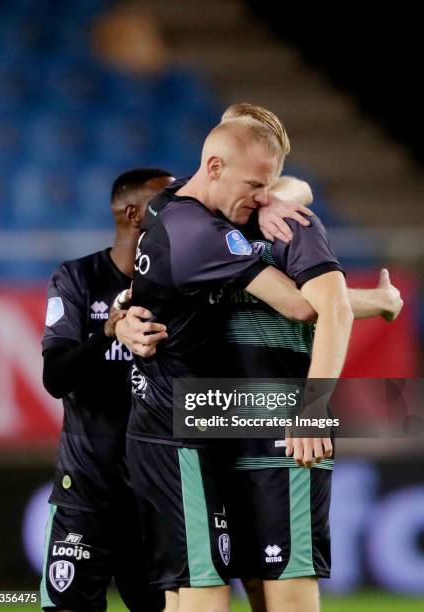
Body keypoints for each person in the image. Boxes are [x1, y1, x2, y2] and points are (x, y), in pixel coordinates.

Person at [126, 115, 327, 612]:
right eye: (255, 185)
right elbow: (304, 305)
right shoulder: (205, 235)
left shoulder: (170, 202)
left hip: (200, 427)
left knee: (192, 593)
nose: (262, 198)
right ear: (215, 166)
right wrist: (373, 300)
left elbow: (289, 186)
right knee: (206, 598)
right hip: (175, 436)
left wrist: (281, 194)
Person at [217, 103, 403, 612]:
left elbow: (329, 306)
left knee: (287, 591)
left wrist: (312, 406)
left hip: (283, 433)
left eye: (267, 179)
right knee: (249, 587)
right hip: (209, 435)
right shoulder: (192, 227)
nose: (260, 190)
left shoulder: (289, 225)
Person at [40, 168, 172, 612]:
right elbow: (55, 378)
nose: (179, 212)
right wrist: (108, 335)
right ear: (133, 213)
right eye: (166, 202)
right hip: (86, 494)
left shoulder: (179, 287)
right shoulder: (78, 279)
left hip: (155, 496)